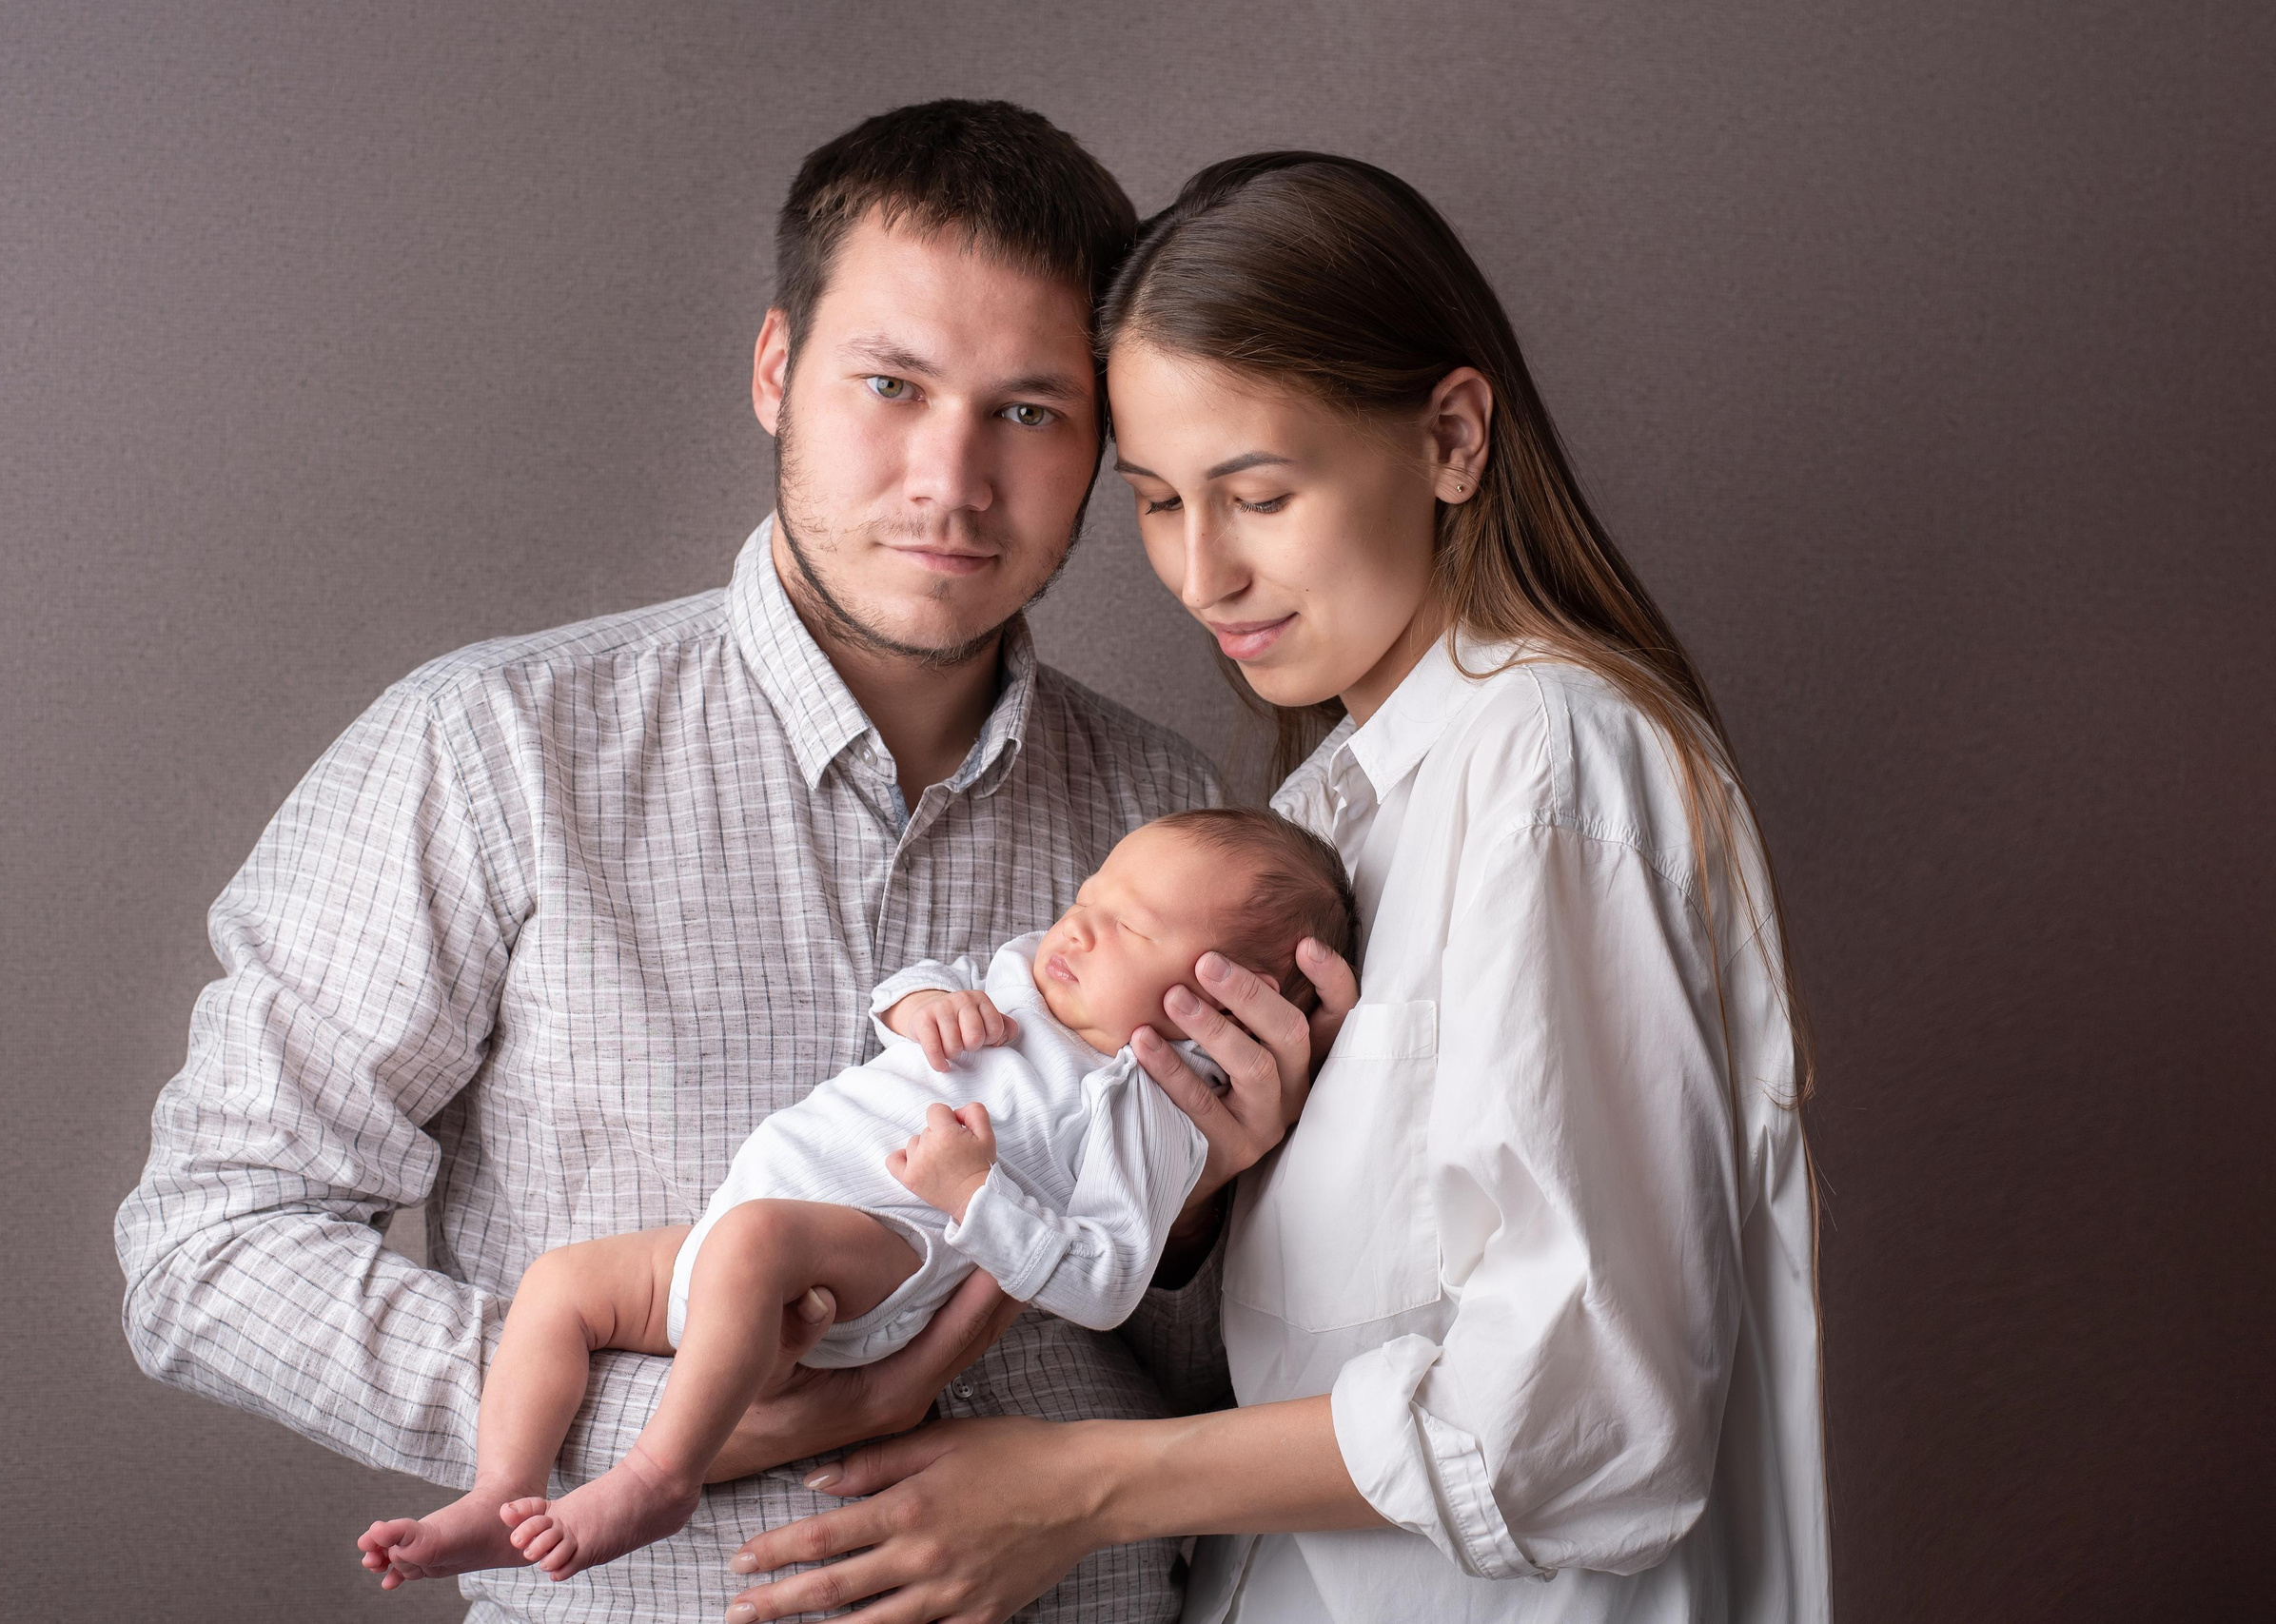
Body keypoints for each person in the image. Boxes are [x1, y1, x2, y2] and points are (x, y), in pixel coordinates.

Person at [113, 102, 1315, 1624]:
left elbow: (1237, 1373)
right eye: (891, 384)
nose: (951, 479)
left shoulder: (1178, 819)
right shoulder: (491, 749)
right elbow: (207, 1245)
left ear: (1101, 441)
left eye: (1029, 410)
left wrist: (1207, 1211)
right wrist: (655, 1422)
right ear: (776, 371)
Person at [720, 153, 1831, 1624]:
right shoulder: (1328, 814)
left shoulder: (1545, 759)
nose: (1203, 573)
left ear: (1449, 436)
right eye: (1162, 502)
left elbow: (1588, 1416)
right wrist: (1190, 1193)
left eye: (1257, 495)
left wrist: (1077, 1484)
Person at [359, 809, 1354, 1588]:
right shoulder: (1022, 978)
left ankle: (659, 1479)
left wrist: (976, 1195)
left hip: (882, 1252)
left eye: (1130, 926)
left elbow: (1102, 1288)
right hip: (751, 1224)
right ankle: (503, 1488)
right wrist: (921, 1004)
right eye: (1090, 893)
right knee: (563, 1282)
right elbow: (908, 991)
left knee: (751, 1244)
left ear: (1219, 1004)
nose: (1079, 926)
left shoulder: (1138, 1104)